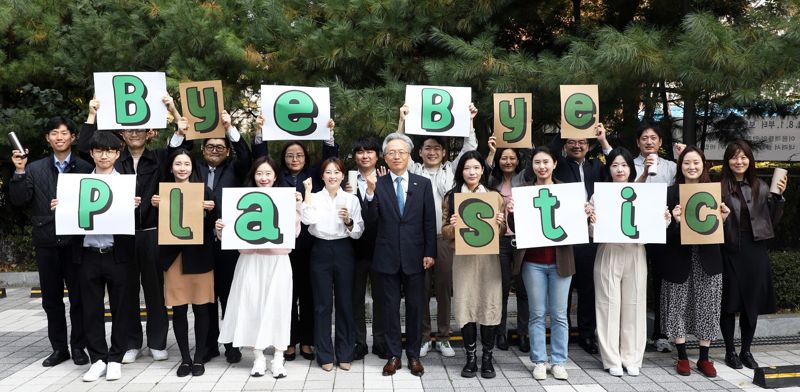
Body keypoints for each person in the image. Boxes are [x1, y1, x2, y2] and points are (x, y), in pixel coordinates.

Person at [77, 96, 186, 364]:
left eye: (140, 129)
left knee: (154, 290)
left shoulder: (159, 158)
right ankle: (130, 342)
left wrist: (172, 108)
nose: (135, 133)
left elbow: (181, 142)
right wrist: (91, 115)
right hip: (121, 234)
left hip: (151, 231)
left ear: (149, 133)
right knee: (125, 292)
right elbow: (84, 150)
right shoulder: (114, 158)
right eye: (129, 129)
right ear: (122, 134)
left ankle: (158, 341)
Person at [9, 116, 92, 367]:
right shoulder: (33, 168)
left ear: (73, 137)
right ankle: (59, 348)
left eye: (64, 133)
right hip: (46, 242)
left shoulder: (85, 167)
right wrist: (20, 170)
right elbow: (20, 200)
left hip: (77, 244)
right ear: (48, 138)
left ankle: (79, 347)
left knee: (79, 298)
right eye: (54, 133)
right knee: (51, 300)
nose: (59, 137)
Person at [253, 117, 338, 361]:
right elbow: (260, 160)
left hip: (309, 247)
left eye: (299, 155)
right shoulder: (275, 177)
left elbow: (329, 159)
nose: (294, 159)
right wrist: (260, 131)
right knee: (286, 296)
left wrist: (329, 135)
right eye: (290, 155)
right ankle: (288, 341)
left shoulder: (314, 176)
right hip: (282, 248)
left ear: (305, 159)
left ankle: (308, 342)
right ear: (284, 158)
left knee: (308, 294)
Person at [397, 103, 478, 357]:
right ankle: (423, 336)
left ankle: (443, 337)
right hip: (418, 238)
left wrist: (471, 120)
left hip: (444, 237)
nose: (432, 152)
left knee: (444, 288)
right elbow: (399, 147)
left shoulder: (452, 171)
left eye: (436, 148)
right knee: (420, 287)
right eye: (427, 148)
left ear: (444, 153)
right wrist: (402, 120)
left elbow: (470, 149)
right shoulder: (413, 170)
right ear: (419, 152)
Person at [56, 132, 138, 382]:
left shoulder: (127, 183)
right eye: (99, 150)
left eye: (110, 151)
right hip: (87, 254)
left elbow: (143, 221)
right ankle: (98, 359)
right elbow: (69, 219)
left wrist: (135, 206)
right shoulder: (76, 184)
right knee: (90, 309)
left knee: (121, 307)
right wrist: (61, 208)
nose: (105, 155)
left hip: (117, 254)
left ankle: (115, 358)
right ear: (91, 153)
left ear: (117, 154)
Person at [215, 156, 301, 378]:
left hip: (277, 261)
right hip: (250, 261)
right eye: (259, 174)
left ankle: (279, 358)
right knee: (251, 307)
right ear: (253, 176)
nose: (264, 178)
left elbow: (295, 233)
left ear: (275, 176)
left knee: (279, 308)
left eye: (268, 174)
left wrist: (297, 206)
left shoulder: (286, 198)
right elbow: (230, 233)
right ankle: (259, 358)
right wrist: (220, 228)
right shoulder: (242, 199)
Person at [586, 147, 667, 377]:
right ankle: (611, 358)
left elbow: (656, 226)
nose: (620, 169)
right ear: (608, 168)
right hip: (608, 251)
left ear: (631, 168)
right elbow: (593, 232)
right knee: (607, 305)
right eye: (615, 165)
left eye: (624, 165)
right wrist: (591, 220)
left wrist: (665, 219)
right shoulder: (599, 195)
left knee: (634, 304)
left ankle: (631, 357)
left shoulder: (645, 193)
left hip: (635, 251)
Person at [365, 133, 436, 377]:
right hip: (386, 257)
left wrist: (430, 252)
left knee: (416, 307)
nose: (397, 156)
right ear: (384, 157)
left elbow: (429, 222)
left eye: (401, 152)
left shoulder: (422, 183)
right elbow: (371, 224)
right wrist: (371, 194)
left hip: (416, 257)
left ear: (409, 155)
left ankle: (414, 355)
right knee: (389, 309)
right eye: (392, 153)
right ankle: (394, 355)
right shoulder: (377, 184)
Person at [508, 146, 576, 381]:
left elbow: (575, 227)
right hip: (532, 262)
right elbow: (517, 228)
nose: (542, 166)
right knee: (536, 313)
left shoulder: (567, 193)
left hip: (561, 262)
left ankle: (558, 360)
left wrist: (584, 212)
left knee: (559, 314)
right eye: (537, 162)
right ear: (532, 166)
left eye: (546, 162)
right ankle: (538, 360)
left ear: (554, 164)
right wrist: (511, 213)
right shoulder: (524, 193)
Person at [663, 146, 730, 377]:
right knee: (678, 305)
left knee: (708, 306)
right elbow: (663, 236)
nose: (691, 167)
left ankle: (704, 357)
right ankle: (682, 356)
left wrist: (723, 220)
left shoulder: (715, 192)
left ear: (704, 165)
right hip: (678, 258)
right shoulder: (671, 194)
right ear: (680, 167)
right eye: (686, 163)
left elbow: (723, 237)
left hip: (708, 259)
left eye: (696, 163)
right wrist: (676, 222)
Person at [719, 140, 786, 370]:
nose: (739, 161)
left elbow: (773, 220)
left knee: (751, 302)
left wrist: (779, 199)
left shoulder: (762, 186)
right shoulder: (719, 187)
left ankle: (746, 350)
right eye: (734, 157)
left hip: (755, 248)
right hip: (728, 248)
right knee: (728, 302)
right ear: (727, 160)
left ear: (750, 160)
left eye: (744, 157)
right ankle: (730, 351)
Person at [441, 151, 506, 379]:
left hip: (488, 259)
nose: (472, 172)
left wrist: (499, 224)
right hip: (463, 257)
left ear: (482, 170)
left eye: (476, 168)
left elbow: (502, 231)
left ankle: (487, 358)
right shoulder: (452, 196)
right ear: (461, 171)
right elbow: (444, 232)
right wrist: (454, 225)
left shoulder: (494, 196)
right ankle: (470, 358)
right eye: (467, 168)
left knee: (489, 303)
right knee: (465, 305)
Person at [548, 124, 613, 355]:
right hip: (565, 234)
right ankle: (562, 335)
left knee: (588, 288)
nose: (577, 145)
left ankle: (587, 335)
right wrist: (564, 127)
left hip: (590, 233)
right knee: (563, 286)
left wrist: (603, 139)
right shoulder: (559, 165)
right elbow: (549, 152)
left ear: (589, 145)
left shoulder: (597, 166)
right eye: (572, 142)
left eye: (582, 142)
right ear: (566, 145)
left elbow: (616, 162)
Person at [152, 149, 216, 377]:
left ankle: (199, 358)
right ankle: (185, 359)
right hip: (173, 258)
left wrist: (210, 212)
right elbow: (153, 226)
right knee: (178, 310)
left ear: (192, 167)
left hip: (199, 258)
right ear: (171, 167)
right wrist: (154, 206)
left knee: (201, 308)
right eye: (177, 163)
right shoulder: (162, 192)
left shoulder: (204, 191)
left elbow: (212, 228)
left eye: (186, 163)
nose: (182, 168)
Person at [194, 111, 252, 364]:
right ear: (203, 149)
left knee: (230, 296)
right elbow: (174, 157)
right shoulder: (192, 167)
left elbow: (248, 156)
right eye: (210, 146)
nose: (215, 150)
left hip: (228, 243)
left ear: (228, 151)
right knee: (206, 299)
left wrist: (231, 129)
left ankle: (232, 345)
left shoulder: (236, 169)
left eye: (220, 147)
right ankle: (208, 346)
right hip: (200, 242)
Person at [301, 158, 364, 371]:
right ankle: (325, 354)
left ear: (342, 175)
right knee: (322, 304)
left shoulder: (351, 199)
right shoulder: (315, 197)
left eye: (337, 172)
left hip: (344, 249)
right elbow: (307, 220)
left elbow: (358, 232)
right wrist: (308, 191)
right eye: (328, 172)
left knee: (345, 303)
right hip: (320, 250)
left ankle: (345, 353)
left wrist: (348, 222)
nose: (332, 176)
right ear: (322, 176)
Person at [633, 123, 677, 353]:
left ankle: (661, 333)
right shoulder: (629, 165)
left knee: (661, 282)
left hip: (662, 230)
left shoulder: (671, 167)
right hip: (635, 231)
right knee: (637, 282)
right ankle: (636, 332)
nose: (649, 142)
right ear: (638, 142)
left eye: (653, 138)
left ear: (660, 142)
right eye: (644, 138)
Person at [344, 136, 388, 360]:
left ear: (377, 156)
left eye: (370, 151)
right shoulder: (346, 181)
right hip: (354, 248)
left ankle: (380, 341)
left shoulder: (387, 179)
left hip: (381, 247)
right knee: (355, 297)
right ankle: (358, 341)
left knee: (381, 297)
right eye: (360, 152)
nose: (365, 155)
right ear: (355, 157)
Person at [485, 139, 529, 352]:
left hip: (524, 239)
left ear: (518, 160)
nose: (508, 161)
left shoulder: (526, 180)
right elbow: (481, 171)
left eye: (512, 157)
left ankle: (523, 333)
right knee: (500, 289)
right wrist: (492, 152)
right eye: (504, 158)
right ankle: (499, 333)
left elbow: (536, 158)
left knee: (523, 289)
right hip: (500, 241)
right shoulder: (492, 182)